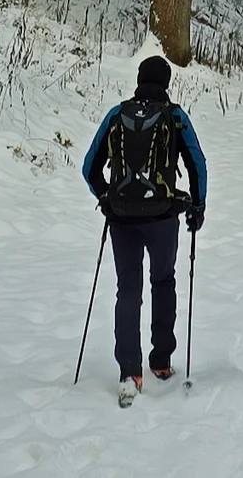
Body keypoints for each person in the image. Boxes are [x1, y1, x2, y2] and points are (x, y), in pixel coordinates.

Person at [82, 56, 207, 406]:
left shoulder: (116, 115)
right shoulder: (176, 117)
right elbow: (197, 163)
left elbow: (89, 166)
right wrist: (198, 207)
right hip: (163, 218)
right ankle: (161, 361)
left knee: (128, 290)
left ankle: (129, 371)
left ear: (138, 80)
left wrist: (105, 196)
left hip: (122, 218)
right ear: (166, 83)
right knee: (163, 282)